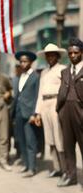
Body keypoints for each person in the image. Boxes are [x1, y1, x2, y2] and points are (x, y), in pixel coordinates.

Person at [34, 43, 67, 179]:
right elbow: (40, 93)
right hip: (45, 104)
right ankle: (57, 168)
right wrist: (38, 113)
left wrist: (62, 107)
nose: (50, 58)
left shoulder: (63, 69)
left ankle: (66, 170)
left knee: (59, 138)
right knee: (50, 139)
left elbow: (65, 90)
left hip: (56, 104)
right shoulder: (43, 72)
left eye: (53, 55)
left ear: (57, 56)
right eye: (48, 55)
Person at [56, 38, 83, 187]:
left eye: (76, 53)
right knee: (68, 146)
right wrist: (59, 110)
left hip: (81, 112)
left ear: (82, 53)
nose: (73, 55)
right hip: (66, 112)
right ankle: (71, 176)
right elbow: (62, 92)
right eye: (70, 53)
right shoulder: (65, 71)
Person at [12, 51, 39, 178]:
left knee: (30, 141)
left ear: (31, 62)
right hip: (19, 112)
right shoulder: (19, 77)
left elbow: (37, 97)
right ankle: (26, 164)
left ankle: (32, 168)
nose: (23, 64)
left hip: (29, 114)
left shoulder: (35, 77)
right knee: (21, 140)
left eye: (25, 61)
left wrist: (34, 113)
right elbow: (18, 96)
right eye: (21, 62)